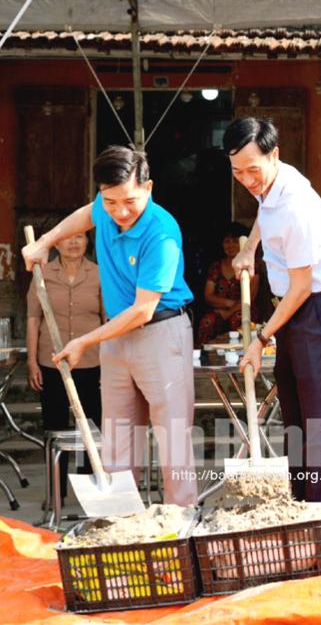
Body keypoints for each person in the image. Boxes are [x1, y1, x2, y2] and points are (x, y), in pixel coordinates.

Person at [22, 146, 198, 507]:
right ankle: (122, 532)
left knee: (173, 443)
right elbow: (85, 215)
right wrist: (45, 242)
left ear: (148, 188)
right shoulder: (103, 209)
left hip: (160, 333)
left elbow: (143, 310)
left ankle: (182, 524)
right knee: (118, 443)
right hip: (116, 339)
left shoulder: (162, 232)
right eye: (110, 200)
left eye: (129, 201)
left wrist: (85, 341)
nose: (119, 212)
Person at [227, 116, 321, 503]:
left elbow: (301, 287)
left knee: (318, 424)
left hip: (316, 311)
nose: (247, 180)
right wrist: (249, 248)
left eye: (253, 170)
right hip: (294, 311)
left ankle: (320, 509)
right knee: (295, 415)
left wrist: (261, 339)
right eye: (237, 172)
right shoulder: (273, 184)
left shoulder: (296, 203)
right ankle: (299, 502)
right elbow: (266, 211)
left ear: (274, 155)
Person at [26, 232, 103, 499]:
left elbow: (107, 320)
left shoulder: (97, 273)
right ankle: (56, 492)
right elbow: (34, 319)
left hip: (91, 361)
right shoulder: (42, 273)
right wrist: (32, 361)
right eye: (67, 238)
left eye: (79, 237)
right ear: (55, 243)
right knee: (55, 426)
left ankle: (88, 489)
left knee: (91, 426)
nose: (73, 242)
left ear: (87, 242)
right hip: (52, 361)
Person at [195, 223, 258, 347]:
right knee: (207, 321)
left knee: (238, 319)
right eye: (227, 242)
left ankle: (242, 356)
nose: (230, 246)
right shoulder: (216, 267)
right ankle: (203, 356)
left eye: (235, 241)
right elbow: (209, 296)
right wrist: (229, 304)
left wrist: (229, 312)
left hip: (244, 310)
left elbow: (250, 297)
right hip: (221, 309)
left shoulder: (251, 266)